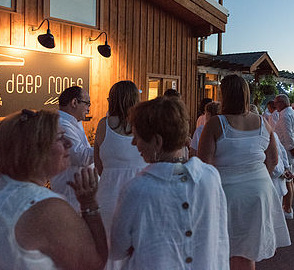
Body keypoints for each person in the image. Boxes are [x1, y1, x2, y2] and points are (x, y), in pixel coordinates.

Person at [0, 109, 107, 270]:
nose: (69, 144)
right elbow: (94, 263)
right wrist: (90, 204)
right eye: (60, 138)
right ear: (34, 149)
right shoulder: (45, 207)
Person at [110, 97, 229, 269]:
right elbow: (220, 240)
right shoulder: (210, 176)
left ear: (157, 142)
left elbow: (117, 250)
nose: (133, 142)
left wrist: (90, 206)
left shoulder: (137, 189)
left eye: (137, 137)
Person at [198, 74, 282, 270]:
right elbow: (273, 159)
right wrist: (254, 176)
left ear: (225, 95)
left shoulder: (216, 123)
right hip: (258, 191)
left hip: (226, 192)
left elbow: (204, 164)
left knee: (224, 248)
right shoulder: (262, 122)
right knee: (247, 249)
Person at [93, 81, 147, 270]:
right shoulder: (144, 125)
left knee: (108, 250)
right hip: (140, 194)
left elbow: (99, 165)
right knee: (138, 249)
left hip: (107, 193)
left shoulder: (103, 125)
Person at [50, 86, 94, 212]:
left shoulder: (73, 122)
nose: (89, 108)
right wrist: (107, 147)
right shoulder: (62, 124)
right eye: (87, 103)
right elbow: (81, 157)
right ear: (74, 102)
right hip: (71, 196)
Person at [274, 94, 294, 219]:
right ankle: (288, 207)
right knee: (289, 182)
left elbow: (288, 135)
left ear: (281, 103)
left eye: (276, 103)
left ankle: (287, 209)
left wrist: (291, 151)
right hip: (293, 150)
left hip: (288, 153)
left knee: (285, 181)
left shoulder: (285, 115)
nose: (275, 106)